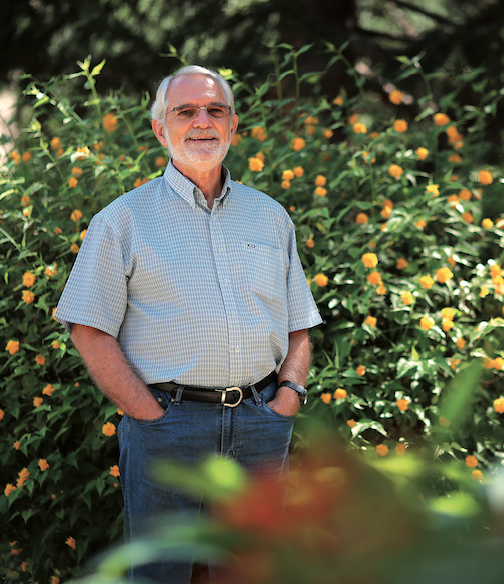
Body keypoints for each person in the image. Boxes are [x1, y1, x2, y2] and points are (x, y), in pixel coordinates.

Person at [54, 65, 322, 583]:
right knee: (159, 574)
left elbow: (298, 324)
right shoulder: (121, 221)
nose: (203, 121)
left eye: (215, 110)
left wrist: (287, 397)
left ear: (233, 126)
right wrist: (147, 414)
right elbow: (88, 327)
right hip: (167, 427)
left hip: (261, 423)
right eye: (186, 111)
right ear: (161, 130)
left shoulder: (270, 217)